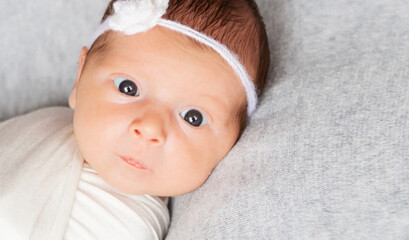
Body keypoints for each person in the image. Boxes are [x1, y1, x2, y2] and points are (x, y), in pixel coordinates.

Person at [0, 0, 270, 239]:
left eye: (193, 117)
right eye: (127, 87)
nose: (150, 127)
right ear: (79, 79)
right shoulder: (41, 125)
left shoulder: (130, 227)